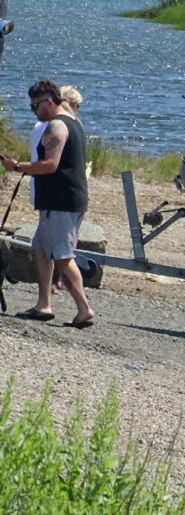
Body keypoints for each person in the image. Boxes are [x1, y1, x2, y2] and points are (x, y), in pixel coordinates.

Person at [0, 79, 94, 328]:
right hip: (64, 199)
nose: (33, 110)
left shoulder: (57, 126)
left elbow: (50, 165)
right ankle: (44, 304)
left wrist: (18, 167)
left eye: (35, 106)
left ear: (49, 102)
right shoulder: (73, 122)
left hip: (60, 201)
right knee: (40, 249)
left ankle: (84, 309)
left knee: (62, 256)